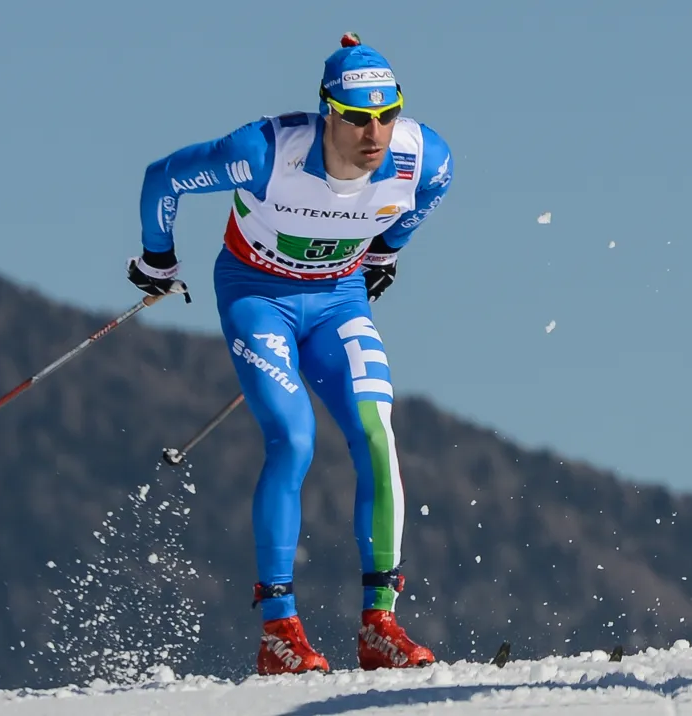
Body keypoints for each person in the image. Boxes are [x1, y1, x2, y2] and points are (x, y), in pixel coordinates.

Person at [126, 32, 453, 675]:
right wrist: (156, 258)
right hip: (258, 296)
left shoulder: (424, 157)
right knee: (294, 439)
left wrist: (384, 254)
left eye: (388, 115)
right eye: (359, 119)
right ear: (328, 111)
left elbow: (420, 204)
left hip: (339, 300)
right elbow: (162, 177)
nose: (375, 134)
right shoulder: (264, 152)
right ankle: (279, 629)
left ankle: (378, 623)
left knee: (376, 434)